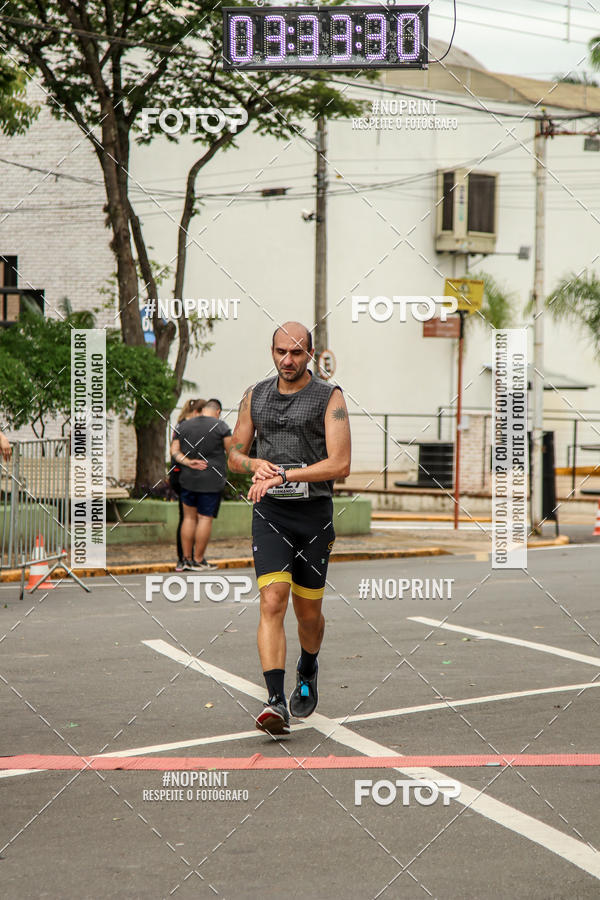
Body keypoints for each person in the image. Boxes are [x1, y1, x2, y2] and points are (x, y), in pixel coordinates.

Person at [228, 322, 351, 735]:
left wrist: (285, 474)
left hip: (313, 515)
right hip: (271, 514)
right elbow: (234, 455)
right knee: (272, 602)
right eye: (281, 351)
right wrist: (253, 465)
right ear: (272, 351)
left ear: (310, 354)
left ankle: (308, 665)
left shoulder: (328, 397)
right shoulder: (255, 395)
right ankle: (275, 700)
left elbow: (340, 464)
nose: (288, 360)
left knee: (309, 613)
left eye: (297, 353)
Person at [172, 398, 232, 571]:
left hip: (188, 479)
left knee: (189, 518)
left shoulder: (183, 426)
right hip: (211, 481)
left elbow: (174, 451)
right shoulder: (220, 426)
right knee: (205, 518)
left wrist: (188, 462)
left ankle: (186, 559)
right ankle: (198, 560)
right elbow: (231, 452)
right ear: (218, 412)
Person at [169, 399, 205, 571]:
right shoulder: (186, 427)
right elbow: (177, 452)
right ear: (197, 412)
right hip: (184, 476)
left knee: (191, 517)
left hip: (185, 476)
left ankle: (189, 556)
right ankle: (184, 557)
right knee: (188, 517)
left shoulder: (181, 426)